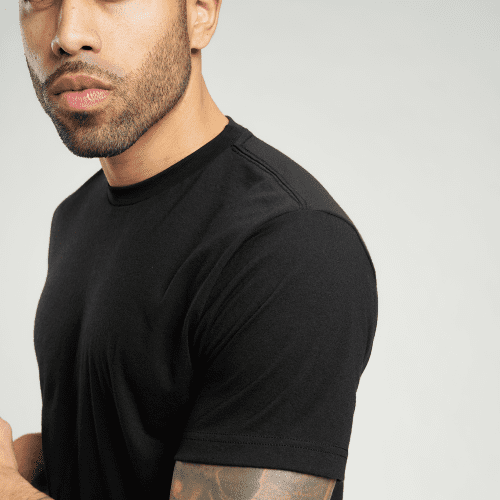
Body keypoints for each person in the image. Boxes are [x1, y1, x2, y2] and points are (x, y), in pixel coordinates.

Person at [9, 0, 378, 499]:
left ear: (200, 13)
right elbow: (108, 455)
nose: (68, 34)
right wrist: (17, 458)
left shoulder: (291, 246)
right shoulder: (77, 215)